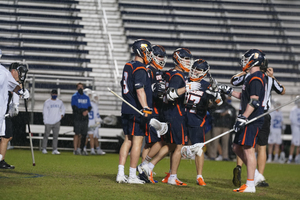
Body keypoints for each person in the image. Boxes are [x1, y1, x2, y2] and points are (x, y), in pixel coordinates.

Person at [140, 48, 196, 186]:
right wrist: (187, 88)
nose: (188, 62)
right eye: (186, 59)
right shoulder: (177, 76)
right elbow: (171, 94)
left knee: (168, 143)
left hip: (168, 112)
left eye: (189, 59)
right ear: (178, 59)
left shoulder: (170, 73)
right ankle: (171, 175)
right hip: (175, 113)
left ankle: (149, 166)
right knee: (178, 145)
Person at [230, 54, 285, 187]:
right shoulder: (265, 78)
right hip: (263, 114)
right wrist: (273, 77)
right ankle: (258, 176)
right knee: (260, 147)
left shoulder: (251, 76)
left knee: (245, 145)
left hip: (252, 113)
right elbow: (282, 90)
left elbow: (234, 80)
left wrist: (245, 70)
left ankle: (242, 168)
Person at [219, 49, 267, 193]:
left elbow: (254, 102)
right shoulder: (250, 77)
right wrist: (230, 91)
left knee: (248, 149)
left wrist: (244, 117)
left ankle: (250, 184)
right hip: (247, 117)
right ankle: (256, 174)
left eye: (247, 59)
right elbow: (244, 96)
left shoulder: (257, 77)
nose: (244, 61)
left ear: (254, 60)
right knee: (236, 147)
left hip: (251, 118)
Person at [116, 39, 153, 184]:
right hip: (136, 109)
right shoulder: (140, 68)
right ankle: (131, 175)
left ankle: (120, 173)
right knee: (137, 142)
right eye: (148, 51)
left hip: (126, 108)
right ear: (141, 51)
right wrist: (145, 107)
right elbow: (139, 89)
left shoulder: (128, 65)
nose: (149, 55)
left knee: (127, 140)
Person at [185, 59, 223, 186]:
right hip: (182, 115)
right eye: (194, 68)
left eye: (199, 70)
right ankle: (171, 174)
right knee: (175, 146)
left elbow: (217, 104)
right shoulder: (184, 80)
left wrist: (215, 95)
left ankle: (199, 176)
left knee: (199, 148)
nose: (195, 71)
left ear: (205, 72)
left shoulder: (207, 85)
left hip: (197, 117)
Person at [0, 61, 29, 169]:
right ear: (13, 71)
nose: (19, 74)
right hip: (2, 112)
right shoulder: (5, 75)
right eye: (18, 71)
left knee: (6, 136)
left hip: (3, 113)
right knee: (6, 136)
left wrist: (21, 92)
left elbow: (15, 88)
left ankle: (1, 160)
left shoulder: (5, 74)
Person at [210, 95, 236, 161]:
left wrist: (227, 113)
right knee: (215, 142)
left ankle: (225, 157)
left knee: (225, 143)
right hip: (217, 125)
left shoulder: (229, 107)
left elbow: (233, 114)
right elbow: (212, 113)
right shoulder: (216, 106)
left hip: (225, 126)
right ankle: (213, 156)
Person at [42, 89, 65, 155]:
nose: (54, 95)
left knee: (55, 136)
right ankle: (44, 148)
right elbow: (45, 112)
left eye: (55, 94)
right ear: (51, 94)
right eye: (53, 94)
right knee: (46, 135)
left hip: (56, 121)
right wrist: (45, 121)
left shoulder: (59, 102)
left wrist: (61, 115)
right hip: (48, 121)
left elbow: (63, 109)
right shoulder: (47, 102)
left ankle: (54, 149)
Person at [71, 82, 92, 155]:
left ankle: (82, 148)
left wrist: (86, 111)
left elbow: (89, 106)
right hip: (77, 117)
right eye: (79, 87)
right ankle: (75, 149)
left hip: (85, 118)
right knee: (77, 133)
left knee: (84, 134)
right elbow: (74, 107)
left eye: (81, 87)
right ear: (77, 88)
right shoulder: (74, 96)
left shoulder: (86, 97)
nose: (80, 88)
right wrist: (82, 112)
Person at [84, 91, 105, 155]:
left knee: (89, 137)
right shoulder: (93, 105)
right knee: (91, 137)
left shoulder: (87, 104)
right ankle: (92, 149)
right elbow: (96, 116)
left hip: (88, 122)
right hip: (92, 123)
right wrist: (100, 121)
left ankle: (86, 149)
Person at [287, 98, 300, 163]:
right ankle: (290, 157)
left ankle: (297, 158)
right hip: (296, 128)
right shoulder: (293, 110)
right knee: (294, 143)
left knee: (299, 144)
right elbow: (292, 120)